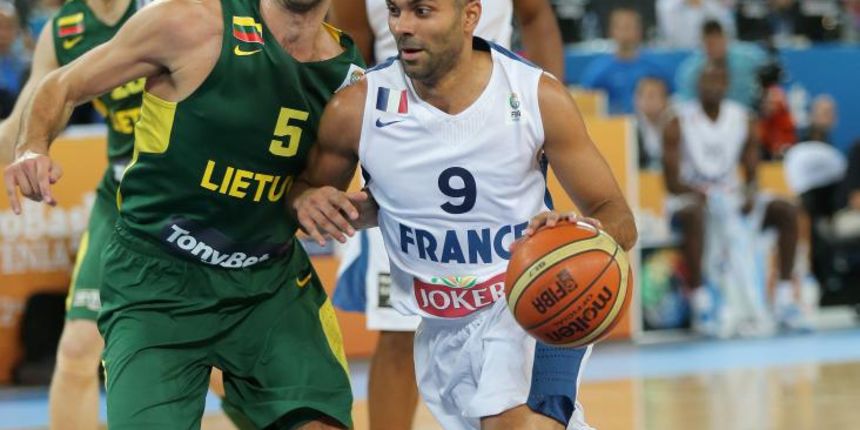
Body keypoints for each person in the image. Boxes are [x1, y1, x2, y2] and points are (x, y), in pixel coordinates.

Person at [3, 0, 365, 427]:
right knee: (78, 348)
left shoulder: (347, 76)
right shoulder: (191, 22)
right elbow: (60, 85)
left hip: (267, 281)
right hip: (156, 277)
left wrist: (309, 198)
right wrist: (32, 147)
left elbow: (309, 196)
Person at [291, 1, 637, 429]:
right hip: (440, 327)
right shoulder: (356, 109)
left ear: (470, 16)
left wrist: (581, 234)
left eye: (422, 11)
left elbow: (618, 217)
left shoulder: (536, 96)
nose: (402, 26)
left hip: (530, 301)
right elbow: (305, 198)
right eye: (395, 11)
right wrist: (314, 203)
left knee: (513, 422)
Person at [328, 0, 564, 428]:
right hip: (402, 138)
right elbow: (351, 50)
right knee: (398, 331)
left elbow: (536, 17)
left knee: (516, 317)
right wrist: (378, 143)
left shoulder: (528, 93)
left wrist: (550, 111)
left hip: (495, 129)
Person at [0, 0, 145, 428]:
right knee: (79, 349)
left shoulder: (163, 8)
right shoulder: (63, 30)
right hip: (121, 197)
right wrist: (24, 147)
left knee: (220, 364)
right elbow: (22, 122)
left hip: (186, 196)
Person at [663, 62, 806, 337]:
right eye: (707, 80)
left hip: (730, 199)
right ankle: (702, 303)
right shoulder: (677, 120)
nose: (712, 86)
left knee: (786, 210)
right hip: (690, 199)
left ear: (727, 85)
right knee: (696, 213)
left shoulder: (744, 118)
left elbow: (752, 175)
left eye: (718, 80)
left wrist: (749, 195)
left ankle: (785, 299)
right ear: (697, 85)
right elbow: (670, 183)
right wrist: (703, 195)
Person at [580, 7, 669, 115]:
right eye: (620, 27)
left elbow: (671, 100)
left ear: (639, 31)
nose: (625, 32)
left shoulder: (655, 67)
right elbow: (586, 103)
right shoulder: (598, 70)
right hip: (612, 126)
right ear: (611, 31)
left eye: (629, 27)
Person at [675, 19, 766, 109]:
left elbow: (771, 66)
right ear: (702, 42)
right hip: (710, 118)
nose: (715, 47)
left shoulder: (749, 58)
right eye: (710, 43)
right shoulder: (690, 71)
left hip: (749, 114)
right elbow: (687, 104)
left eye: (718, 40)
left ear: (726, 38)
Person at [634, 76, 673, 170]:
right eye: (643, 96)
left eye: (652, 96)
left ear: (665, 100)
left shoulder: (675, 127)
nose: (648, 101)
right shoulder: (631, 129)